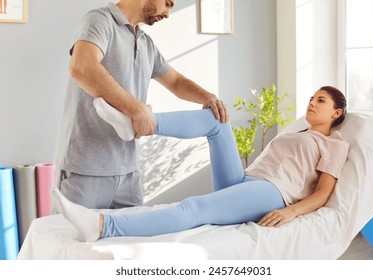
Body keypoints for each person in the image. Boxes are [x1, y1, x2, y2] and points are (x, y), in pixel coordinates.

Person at [53, 86, 349, 242]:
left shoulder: (334, 144)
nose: (311, 102)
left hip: (273, 192)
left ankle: (103, 226)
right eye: (312, 98)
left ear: (336, 113)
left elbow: (323, 194)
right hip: (246, 180)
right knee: (217, 122)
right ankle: (141, 125)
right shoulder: (295, 133)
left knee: (193, 207)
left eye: (320, 100)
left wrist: (289, 212)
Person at [54, 0, 228, 209]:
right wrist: (137, 109)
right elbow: (82, 67)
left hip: (128, 172)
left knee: (131, 240)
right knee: (71, 240)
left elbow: (176, 82)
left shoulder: (145, 43)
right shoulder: (100, 21)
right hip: (86, 169)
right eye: (167, 3)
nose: (168, 13)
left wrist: (208, 97)